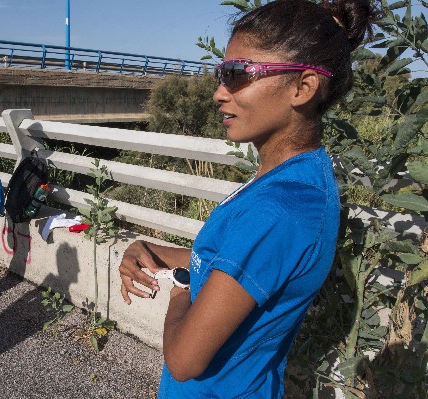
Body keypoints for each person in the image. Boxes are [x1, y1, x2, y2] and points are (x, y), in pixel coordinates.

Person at [119, 0, 376, 397]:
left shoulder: (281, 209)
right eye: (222, 74)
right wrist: (149, 248)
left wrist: (179, 292)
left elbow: (184, 360)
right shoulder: (297, 179)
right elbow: (235, 265)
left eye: (239, 74)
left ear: (302, 87)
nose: (220, 92)